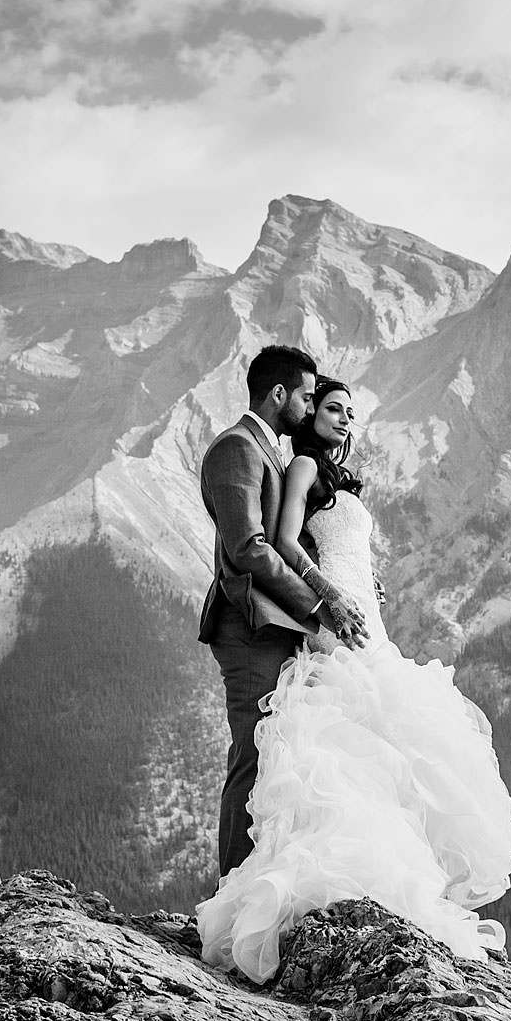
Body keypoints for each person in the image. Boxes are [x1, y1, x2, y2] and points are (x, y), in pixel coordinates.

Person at [198, 374, 511, 983]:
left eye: (351, 411)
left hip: (357, 616)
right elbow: (276, 544)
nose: (345, 419)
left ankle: (404, 888)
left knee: (389, 746)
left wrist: (359, 589)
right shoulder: (285, 464)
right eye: (331, 407)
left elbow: (325, 546)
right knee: (315, 751)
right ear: (299, 405)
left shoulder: (323, 473)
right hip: (320, 621)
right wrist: (326, 598)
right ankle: (257, 892)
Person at [198, 345, 372, 880]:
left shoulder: (266, 450)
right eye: (304, 394)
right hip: (248, 627)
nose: (310, 403)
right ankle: (229, 898)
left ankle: (261, 888)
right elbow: (248, 547)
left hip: (276, 625)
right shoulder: (236, 449)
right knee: (252, 759)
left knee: (277, 760)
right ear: (279, 394)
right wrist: (322, 601)